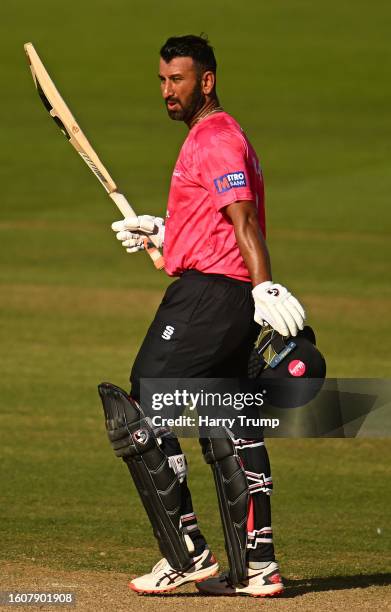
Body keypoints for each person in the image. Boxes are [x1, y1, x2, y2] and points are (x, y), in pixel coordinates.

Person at [107, 34, 305, 597]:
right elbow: (215, 224)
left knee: (146, 395)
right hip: (223, 291)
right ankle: (258, 566)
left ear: (207, 81)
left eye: (179, 80)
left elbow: (244, 221)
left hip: (212, 295)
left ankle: (185, 551)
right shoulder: (215, 136)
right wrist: (165, 234)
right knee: (231, 417)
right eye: (163, 80)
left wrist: (264, 285)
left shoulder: (216, 137)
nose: (168, 91)